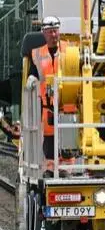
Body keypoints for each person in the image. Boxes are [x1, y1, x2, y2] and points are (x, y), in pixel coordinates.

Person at [27, 16, 70, 174]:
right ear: (44, 33)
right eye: (50, 31)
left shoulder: (69, 49)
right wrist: (31, 80)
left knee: (68, 142)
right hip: (47, 107)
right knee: (50, 143)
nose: (54, 34)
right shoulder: (37, 54)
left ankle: (66, 170)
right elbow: (33, 76)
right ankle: (51, 171)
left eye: (56, 31)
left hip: (68, 106)